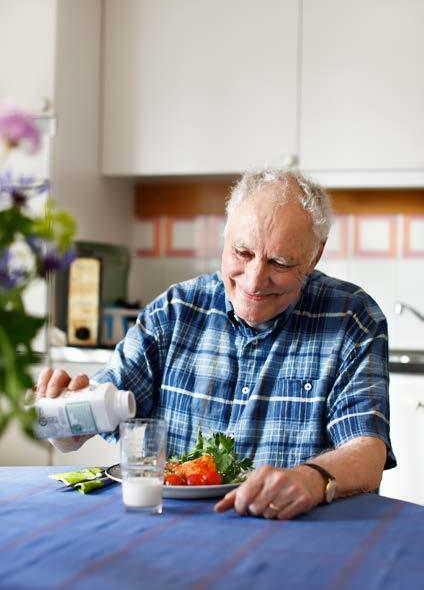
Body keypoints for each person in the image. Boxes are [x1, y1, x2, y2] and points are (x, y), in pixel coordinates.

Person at [36, 168, 395, 520]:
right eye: (242, 252)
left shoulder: (352, 317)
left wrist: (311, 478)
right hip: (176, 526)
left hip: (292, 530)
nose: (254, 280)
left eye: (280, 262)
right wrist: (61, 416)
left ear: (314, 256)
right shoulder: (175, 312)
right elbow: (100, 405)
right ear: (224, 238)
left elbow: (366, 453)